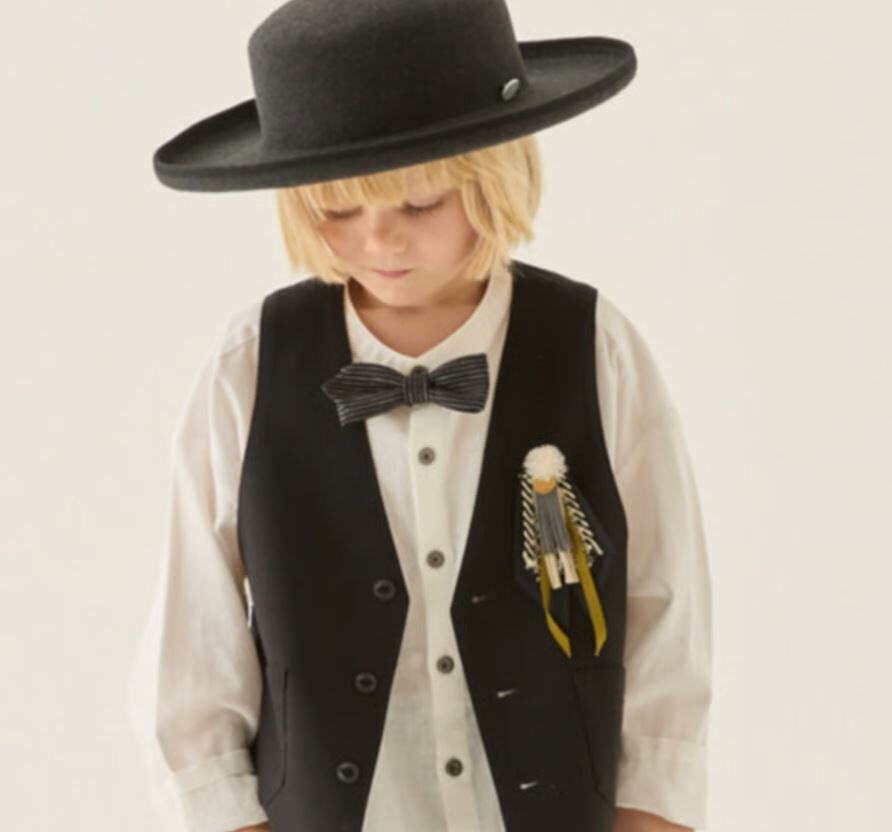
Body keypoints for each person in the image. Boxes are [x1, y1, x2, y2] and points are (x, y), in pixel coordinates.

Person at [127, 2, 713, 831]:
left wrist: (653, 812)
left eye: (421, 201)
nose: (381, 242)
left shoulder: (593, 346)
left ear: (496, 172)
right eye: (338, 210)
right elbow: (195, 638)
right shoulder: (249, 366)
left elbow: (666, 606)